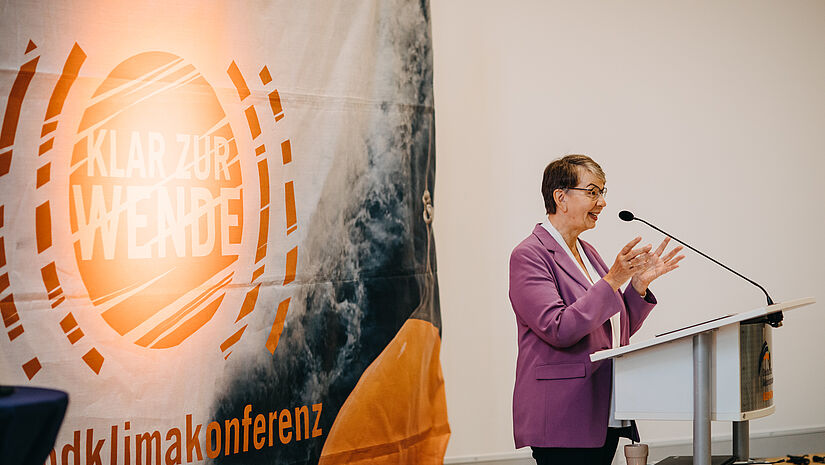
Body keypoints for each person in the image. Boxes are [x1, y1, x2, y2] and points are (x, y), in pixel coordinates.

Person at [509, 154, 684, 465]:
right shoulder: (529, 255)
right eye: (592, 192)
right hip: (563, 413)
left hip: (602, 409)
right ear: (560, 197)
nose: (602, 202)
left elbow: (614, 328)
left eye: (603, 192)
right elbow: (559, 329)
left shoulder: (587, 252)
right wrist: (613, 279)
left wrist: (637, 286)